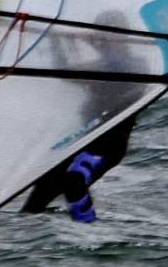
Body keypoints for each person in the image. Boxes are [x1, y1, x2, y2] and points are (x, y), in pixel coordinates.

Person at [21, 13, 140, 222]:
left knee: (74, 181)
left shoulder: (134, 65)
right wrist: (56, 40)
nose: (99, 40)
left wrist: (90, 40)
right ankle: (21, 235)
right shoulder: (101, 64)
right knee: (44, 185)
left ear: (122, 38)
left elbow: (115, 67)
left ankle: (89, 233)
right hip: (84, 139)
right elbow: (65, 73)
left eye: (104, 35)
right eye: (98, 34)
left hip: (109, 144)